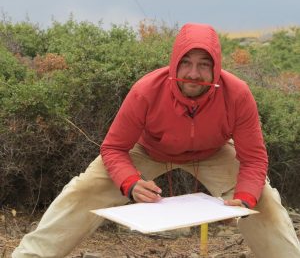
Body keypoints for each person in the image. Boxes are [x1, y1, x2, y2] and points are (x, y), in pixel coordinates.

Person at [13, 23, 300, 258]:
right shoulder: (146, 91)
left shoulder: (237, 94)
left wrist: (246, 199)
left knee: (264, 201)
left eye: (203, 64)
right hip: (148, 149)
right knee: (84, 189)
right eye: (185, 62)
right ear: (174, 63)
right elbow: (114, 148)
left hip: (214, 152)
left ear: (217, 68)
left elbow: (253, 158)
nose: (193, 73)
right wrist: (130, 182)